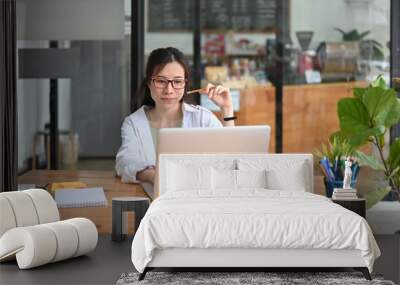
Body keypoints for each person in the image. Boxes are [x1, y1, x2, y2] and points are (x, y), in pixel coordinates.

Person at [115, 47, 235, 188]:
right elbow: (124, 163)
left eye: (177, 82)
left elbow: (230, 159)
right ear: (149, 83)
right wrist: (153, 176)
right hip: (152, 202)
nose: (169, 90)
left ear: (185, 85)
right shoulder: (133, 123)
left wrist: (227, 109)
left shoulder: (202, 118)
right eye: (161, 81)